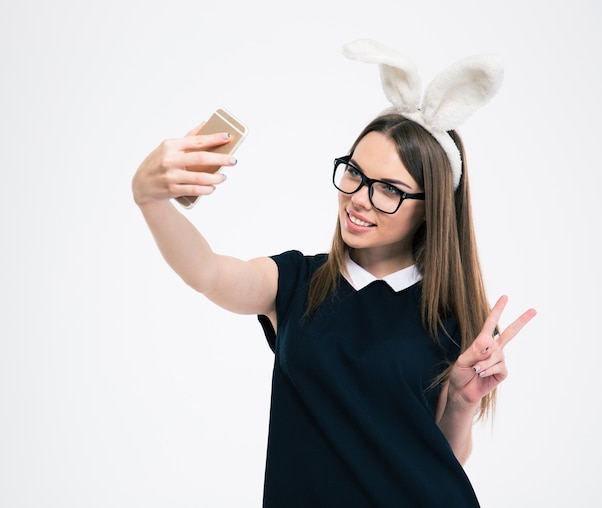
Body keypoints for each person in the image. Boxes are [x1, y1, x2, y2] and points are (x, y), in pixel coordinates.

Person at [132, 39, 536, 507]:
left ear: (433, 210)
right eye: (354, 174)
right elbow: (207, 273)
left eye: (389, 189)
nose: (360, 198)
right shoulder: (295, 283)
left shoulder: (453, 316)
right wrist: (150, 199)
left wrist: (463, 404)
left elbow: (438, 456)